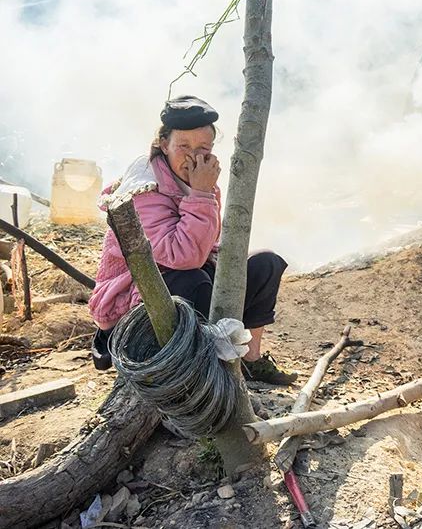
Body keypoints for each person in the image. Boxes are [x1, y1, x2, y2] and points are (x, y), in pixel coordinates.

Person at [88, 95, 297, 385]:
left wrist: (204, 194)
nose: (192, 157)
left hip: (186, 282)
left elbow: (208, 244)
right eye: (183, 147)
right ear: (164, 144)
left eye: (203, 148)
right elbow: (182, 256)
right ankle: (197, 374)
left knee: (265, 264)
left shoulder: (199, 179)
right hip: (134, 306)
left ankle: (249, 361)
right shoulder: (143, 188)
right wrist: (201, 194)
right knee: (193, 279)